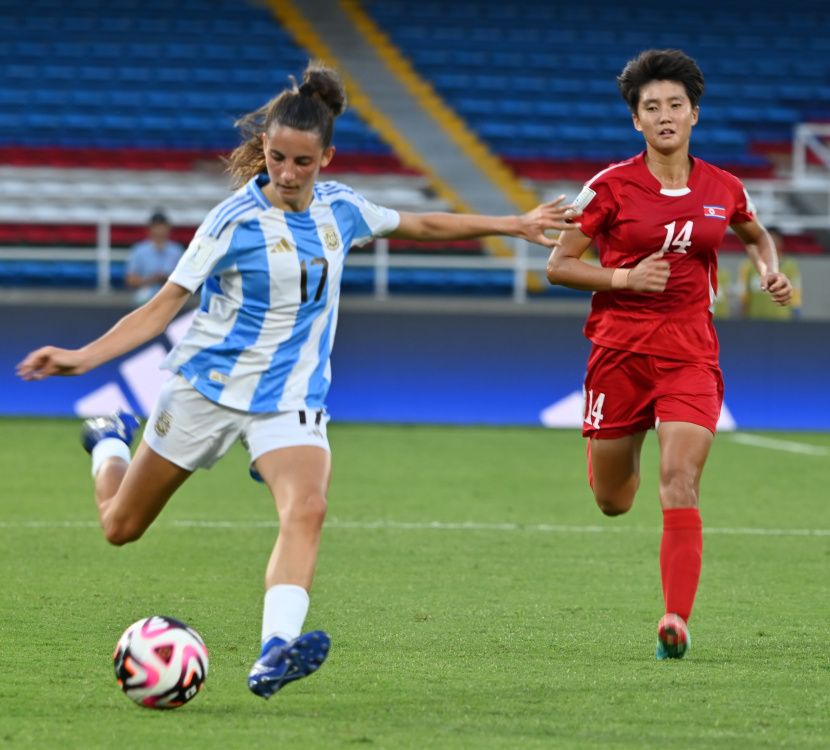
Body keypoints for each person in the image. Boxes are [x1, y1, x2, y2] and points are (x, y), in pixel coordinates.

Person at [17, 62, 577, 698]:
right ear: (264, 150)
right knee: (120, 527)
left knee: (306, 508)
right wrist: (83, 358)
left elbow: (419, 224)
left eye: (301, 162)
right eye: (276, 158)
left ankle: (273, 651)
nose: (285, 173)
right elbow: (163, 304)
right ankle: (111, 441)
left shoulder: (344, 210)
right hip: (207, 391)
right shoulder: (232, 221)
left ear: (327, 158)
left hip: (289, 399)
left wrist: (513, 224)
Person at [546, 49, 792, 660]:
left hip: (689, 352)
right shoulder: (609, 188)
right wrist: (626, 281)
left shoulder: (723, 187)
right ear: (636, 121)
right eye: (650, 106)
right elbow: (559, 265)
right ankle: (611, 461)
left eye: (674, 105)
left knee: (679, 481)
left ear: (693, 115)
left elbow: (754, 233)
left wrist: (770, 271)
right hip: (618, 352)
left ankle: (675, 620)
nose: (663, 115)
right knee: (613, 500)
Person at [738, 226, 802, 319]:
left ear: (781, 242)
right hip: (755, 321)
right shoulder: (748, 266)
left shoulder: (790, 266)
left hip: (782, 320)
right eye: (768, 242)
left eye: (774, 241)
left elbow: (795, 294)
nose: (771, 246)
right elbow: (744, 296)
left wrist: (796, 313)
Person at [125, 211, 184, 306]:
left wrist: (166, 279)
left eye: (162, 226)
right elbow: (131, 279)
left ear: (168, 228)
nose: (159, 230)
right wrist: (151, 279)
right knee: (143, 297)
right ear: (150, 229)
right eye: (156, 226)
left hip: (170, 297)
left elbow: (184, 278)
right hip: (145, 296)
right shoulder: (139, 250)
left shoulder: (176, 251)